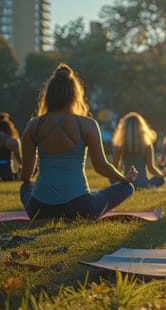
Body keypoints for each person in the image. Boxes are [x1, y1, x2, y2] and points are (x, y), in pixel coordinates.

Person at [19, 64, 137, 220]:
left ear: (48, 95)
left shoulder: (33, 125)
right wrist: (124, 179)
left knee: (25, 187)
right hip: (80, 209)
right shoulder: (87, 124)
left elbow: (26, 175)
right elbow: (101, 166)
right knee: (127, 188)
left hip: (40, 210)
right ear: (75, 94)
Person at [111, 112, 166, 189]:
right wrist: (161, 175)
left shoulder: (120, 145)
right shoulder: (147, 145)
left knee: (111, 178)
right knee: (161, 179)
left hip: (126, 183)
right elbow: (151, 168)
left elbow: (115, 168)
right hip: (143, 183)